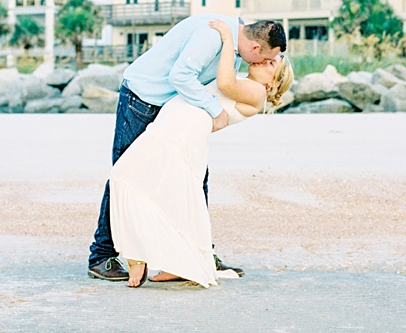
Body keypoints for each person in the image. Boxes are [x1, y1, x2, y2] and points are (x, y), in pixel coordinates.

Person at [87, 14, 287, 281]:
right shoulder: (214, 34)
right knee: (126, 174)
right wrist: (216, 110)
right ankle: (101, 255)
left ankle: (196, 254)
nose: (262, 63)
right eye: (265, 58)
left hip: (172, 112)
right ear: (255, 48)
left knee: (191, 182)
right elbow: (181, 76)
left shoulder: (234, 41)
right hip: (143, 100)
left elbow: (221, 83)